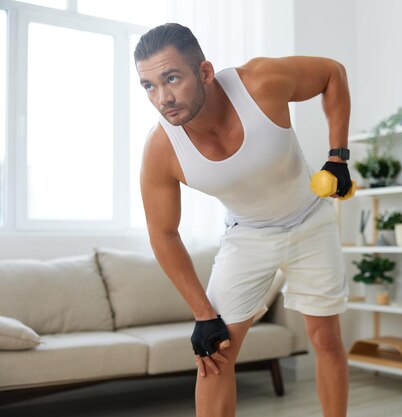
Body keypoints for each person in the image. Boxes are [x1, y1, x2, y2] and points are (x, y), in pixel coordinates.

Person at [134, 23, 353, 417]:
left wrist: (338, 156)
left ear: (204, 72)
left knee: (325, 338)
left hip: (311, 220)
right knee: (213, 353)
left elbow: (332, 73)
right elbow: (163, 235)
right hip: (248, 235)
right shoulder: (162, 149)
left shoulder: (261, 83)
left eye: (171, 78)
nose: (163, 98)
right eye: (148, 86)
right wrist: (202, 313)